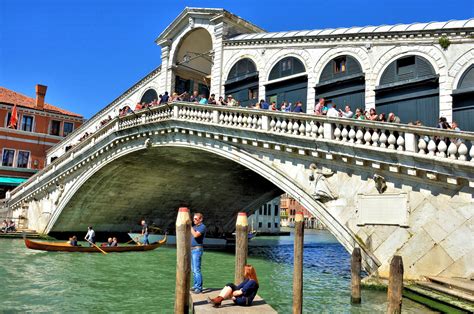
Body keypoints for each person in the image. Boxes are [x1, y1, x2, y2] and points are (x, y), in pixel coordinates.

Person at [191, 212, 206, 294]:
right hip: (192, 250)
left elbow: (196, 235)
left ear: (201, 219)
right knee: (193, 270)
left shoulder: (202, 227)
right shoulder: (194, 227)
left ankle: (199, 288)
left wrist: (190, 227)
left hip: (197, 250)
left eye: (196, 219)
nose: (194, 220)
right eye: (193, 219)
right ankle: (195, 285)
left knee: (197, 269)